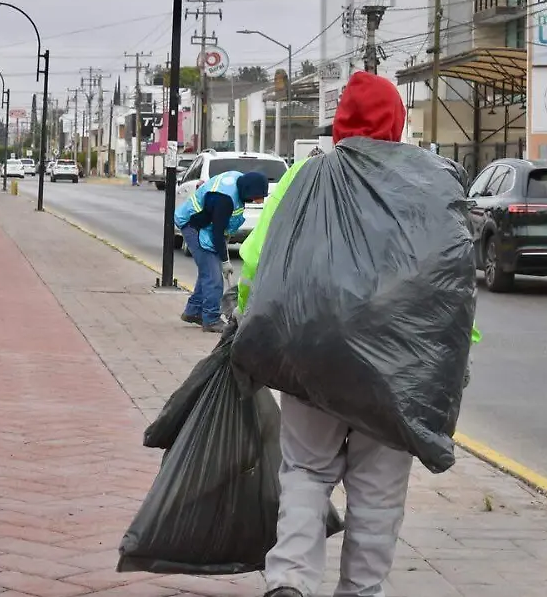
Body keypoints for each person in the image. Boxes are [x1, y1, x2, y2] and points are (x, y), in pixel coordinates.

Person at [244, 72, 414, 597]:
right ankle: (361, 590)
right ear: (397, 124)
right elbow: (446, 284)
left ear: (339, 125)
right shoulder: (422, 189)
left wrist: (249, 325)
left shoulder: (303, 179)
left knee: (305, 471)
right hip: (394, 367)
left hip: (311, 357)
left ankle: (290, 580)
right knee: (378, 491)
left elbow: (257, 260)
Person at [172, 169, 268, 332]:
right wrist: (225, 260)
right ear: (249, 190)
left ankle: (193, 311)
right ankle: (211, 319)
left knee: (208, 271)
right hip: (193, 224)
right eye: (258, 197)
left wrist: (225, 243)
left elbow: (222, 227)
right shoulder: (224, 199)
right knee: (213, 276)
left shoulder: (239, 182)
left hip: (207, 224)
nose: (259, 201)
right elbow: (217, 232)